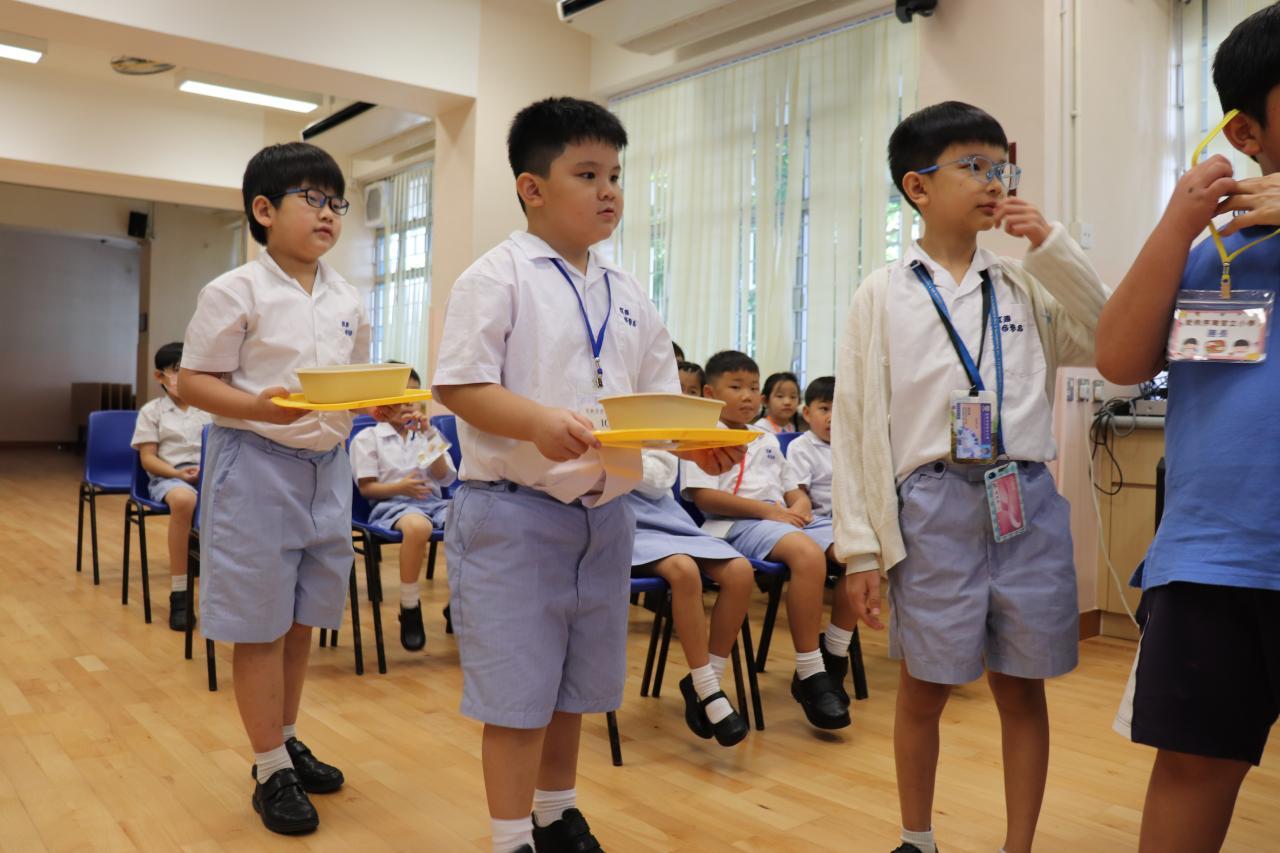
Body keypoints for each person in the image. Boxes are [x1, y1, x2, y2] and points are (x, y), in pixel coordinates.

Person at [431, 97, 741, 853]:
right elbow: (459, 386)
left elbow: (656, 402)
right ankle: (511, 837)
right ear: (532, 188)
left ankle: (556, 811)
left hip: (605, 517)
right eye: (588, 174)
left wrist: (693, 444)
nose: (609, 191)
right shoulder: (496, 276)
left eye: (616, 176)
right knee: (518, 694)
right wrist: (536, 420)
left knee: (575, 682)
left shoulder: (625, 289)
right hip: (513, 514)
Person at [832, 101, 1108, 853]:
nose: (995, 182)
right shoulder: (882, 292)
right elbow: (857, 426)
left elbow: (1107, 336)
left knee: (1021, 688)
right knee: (925, 687)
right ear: (917, 186)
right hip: (931, 507)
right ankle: (917, 838)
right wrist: (860, 548)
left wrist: (1051, 244)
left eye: (1002, 168)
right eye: (974, 166)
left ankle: (1018, 844)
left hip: (1023, 499)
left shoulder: (1022, 284)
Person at [1096, 6, 1280, 851]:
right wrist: (1177, 221)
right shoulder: (1212, 253)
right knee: (1193, 768)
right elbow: (1119, 357)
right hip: (1214, 559)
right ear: (1246, 131)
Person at [178, 142, 368, 836]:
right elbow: (192, 380)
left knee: (299, 617)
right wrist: (257, 407)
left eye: (336, 201)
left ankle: (285, 739)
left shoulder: (347, 296)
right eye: (311, 198)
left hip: (328, 468)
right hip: (254, 462)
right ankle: (267, 768)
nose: (328, 213)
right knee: (258, 623)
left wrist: (384, 404)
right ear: (263, 209)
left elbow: (350, 383)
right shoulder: (235, 290)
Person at [683, 350, 856, 730]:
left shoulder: (764, 438)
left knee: (856, 550)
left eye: (753, 387)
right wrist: (769, 512)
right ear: (710, 394)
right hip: (736, 523)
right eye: (736, 387)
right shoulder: (701, 437)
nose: (748, 396)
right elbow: (704, 499)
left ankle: (834, 653)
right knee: (807, 555)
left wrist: (800, 504)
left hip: (781, 519)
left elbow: (791, 489)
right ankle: (811, 672)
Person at [627, 449, 752, 747]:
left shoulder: (653, 419)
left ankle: (706, 682)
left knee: (740, 571)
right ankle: (708, 689)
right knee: (684, 570)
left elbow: (661, 476)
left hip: (666, 515)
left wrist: (621, 462)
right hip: (620, 519)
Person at [349, 376, 456, 652]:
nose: (406, 405)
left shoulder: (426, 434)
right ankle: (409, 606)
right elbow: (367, 488)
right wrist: (402, 488)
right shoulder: (368, 438)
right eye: (398, 398)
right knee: (418, 528)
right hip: (391, 505)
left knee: (471, 522)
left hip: (433, 503)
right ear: (381, 404)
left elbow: (445, 478)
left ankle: (459, 601)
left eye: (411, 397)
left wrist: (429, 435)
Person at [130, 341, 211, 631]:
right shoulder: (152, 411)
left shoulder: (209, 409)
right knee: (185, 501)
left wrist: (206, 470)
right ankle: (180, 594)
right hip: (169, 477)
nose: (183, 377)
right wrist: (178, 474)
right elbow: (148, 459)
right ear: (159, 376)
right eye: (176, 371)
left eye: (189, 370)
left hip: (209, 474)